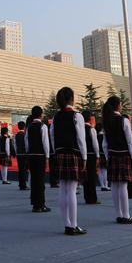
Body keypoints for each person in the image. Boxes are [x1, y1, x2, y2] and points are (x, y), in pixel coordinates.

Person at [50, 87, 87, 235]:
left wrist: (55, 152)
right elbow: (81, 139)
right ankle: (74, 224)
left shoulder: (56, 117)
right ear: (71, 98)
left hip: (59, 153)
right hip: (73, 153)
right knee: (71, 190)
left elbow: (52, 136)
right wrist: (84, 157)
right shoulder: (77, 116)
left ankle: (67, 224)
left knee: (63, 189)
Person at [102, 96, 132, 224]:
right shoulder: (123, 120)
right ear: (118, 105)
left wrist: (108, 156)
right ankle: (126, 215)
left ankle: (119, 214)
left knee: (115, 186)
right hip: (123, 155)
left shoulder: (107, 120)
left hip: (112, 154)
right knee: (123, 186)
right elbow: (130, 141)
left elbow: (105, 143)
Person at [25, 106, 50, 213]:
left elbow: (26, 142)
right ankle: (41, 204)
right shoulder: (43, 126)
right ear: (41, 114)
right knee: (40, 181)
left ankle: (35, 205)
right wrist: (47, 156)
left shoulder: (29, 127)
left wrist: (29, 152)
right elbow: (45, 143)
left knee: (34, 180)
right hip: (40, 156)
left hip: (31, 155)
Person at [82, 112, 100, 205]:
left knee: (85, 177)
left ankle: (86, 197)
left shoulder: (80, 130)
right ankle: (93, 198)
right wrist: (97, 155)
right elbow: (95, 144)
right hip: (91, 155)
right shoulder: (91, 129)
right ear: (89, 119)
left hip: (82, 155)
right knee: (92, 177)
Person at [14, 121, 28, 190]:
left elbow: (15, 146)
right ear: (24, 127)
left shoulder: (16, 135)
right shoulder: (25, 135)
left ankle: (20, 184)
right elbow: (26, 145)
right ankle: (24, 185)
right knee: (24, 170)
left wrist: (17, 153)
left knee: (20, 170)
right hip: (24, 154)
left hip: (19, 154)